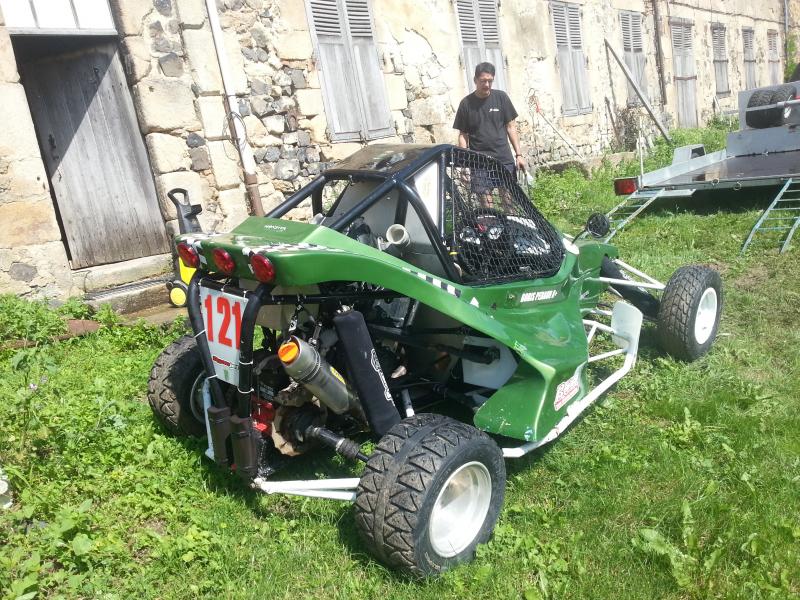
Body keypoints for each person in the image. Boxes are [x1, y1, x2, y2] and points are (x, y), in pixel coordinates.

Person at [453, 62, 526, 176]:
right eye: (483, 81)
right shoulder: (466, 104)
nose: (487, 84)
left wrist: (519, 155)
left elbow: (511, 128)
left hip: (504, 160)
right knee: (482, 189)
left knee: (508, 188)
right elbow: (463, 135)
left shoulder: (502, 98)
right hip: (479, 163)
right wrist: (464, 163)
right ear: (475, 80)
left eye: (490, 81)